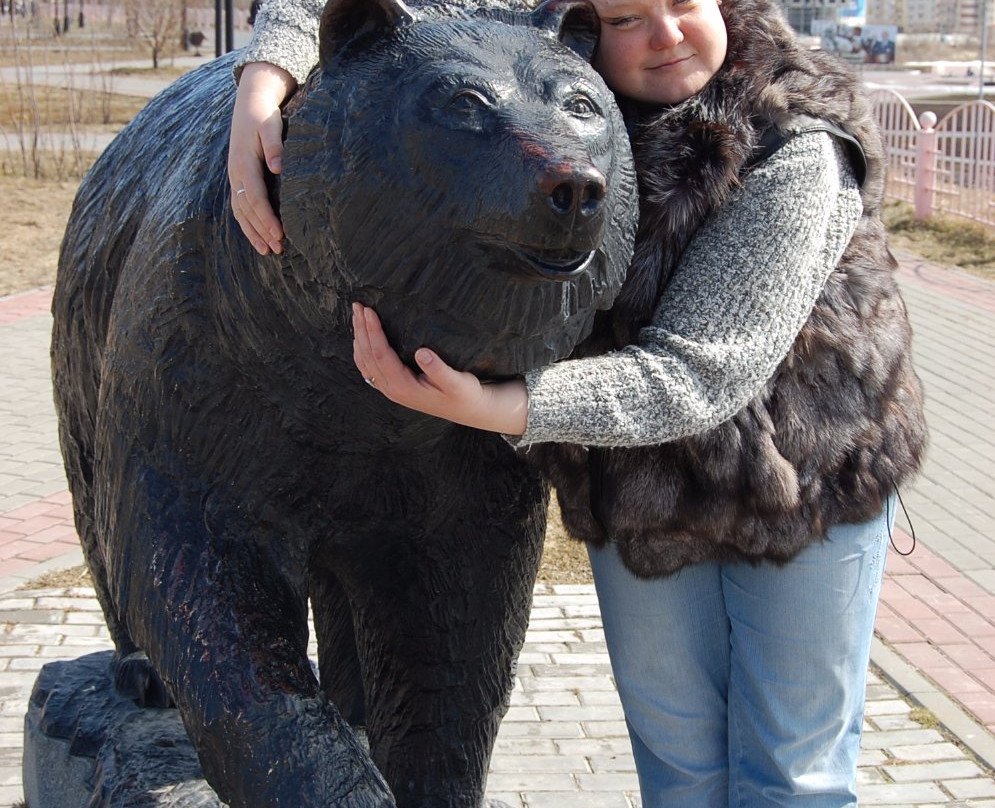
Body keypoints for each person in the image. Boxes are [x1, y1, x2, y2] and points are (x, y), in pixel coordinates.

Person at [228, 0, 928, 804]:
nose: (662, 36)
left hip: (801, 486)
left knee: (790, 772)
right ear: (589, 27)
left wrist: (497, 407)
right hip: (643, 487)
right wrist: (265, 77)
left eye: (681, 5)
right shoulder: (568, 103)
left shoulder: (795, 138)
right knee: (679, 763)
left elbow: (696, 374)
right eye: (628, 18)